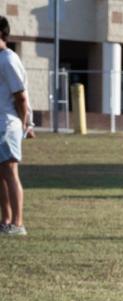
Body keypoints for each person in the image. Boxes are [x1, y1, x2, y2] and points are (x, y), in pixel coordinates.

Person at [0, 16, 33, 236]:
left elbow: (21, 96)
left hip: (8, 123)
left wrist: (24, 123)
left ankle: (18, 224)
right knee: (1, 175)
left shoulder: (8, 59)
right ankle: (6, 220)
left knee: (10, 172)